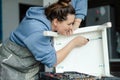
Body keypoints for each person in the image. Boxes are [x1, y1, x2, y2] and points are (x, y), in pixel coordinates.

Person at [0, 0, 88, 80]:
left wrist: (77, 21)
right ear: (56, 22)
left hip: (27, 65)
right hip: (12, 66)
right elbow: (53, 61)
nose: (71, 27)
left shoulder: (48, 14)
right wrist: (74, 42)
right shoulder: (37, 32)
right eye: (69, 24)